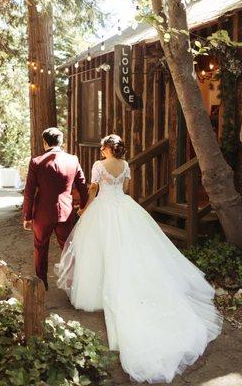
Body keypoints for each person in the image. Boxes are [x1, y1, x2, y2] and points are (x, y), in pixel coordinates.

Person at [55, 134, 223, 384]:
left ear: (108, 149)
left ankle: (98, 290)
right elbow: (126, 190)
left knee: (98, 250)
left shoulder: (98, 166)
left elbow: (93, 190)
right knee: (127, 248)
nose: (101, 150)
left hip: (102, 208)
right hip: (124, 207)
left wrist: (84, 209)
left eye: (102, 147)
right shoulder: (125, 165)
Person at [22, 127, 88, 291]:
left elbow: (29, 192)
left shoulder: (36, 162)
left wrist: (27, 216)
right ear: (61, 142)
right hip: (66, 212)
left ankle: (41, 284)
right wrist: (84, 206)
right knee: (68, 248)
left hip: (42, 214)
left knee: (40, 247)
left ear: (44, 142)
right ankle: (73, 284)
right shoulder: (73, 160)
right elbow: (83, 185)